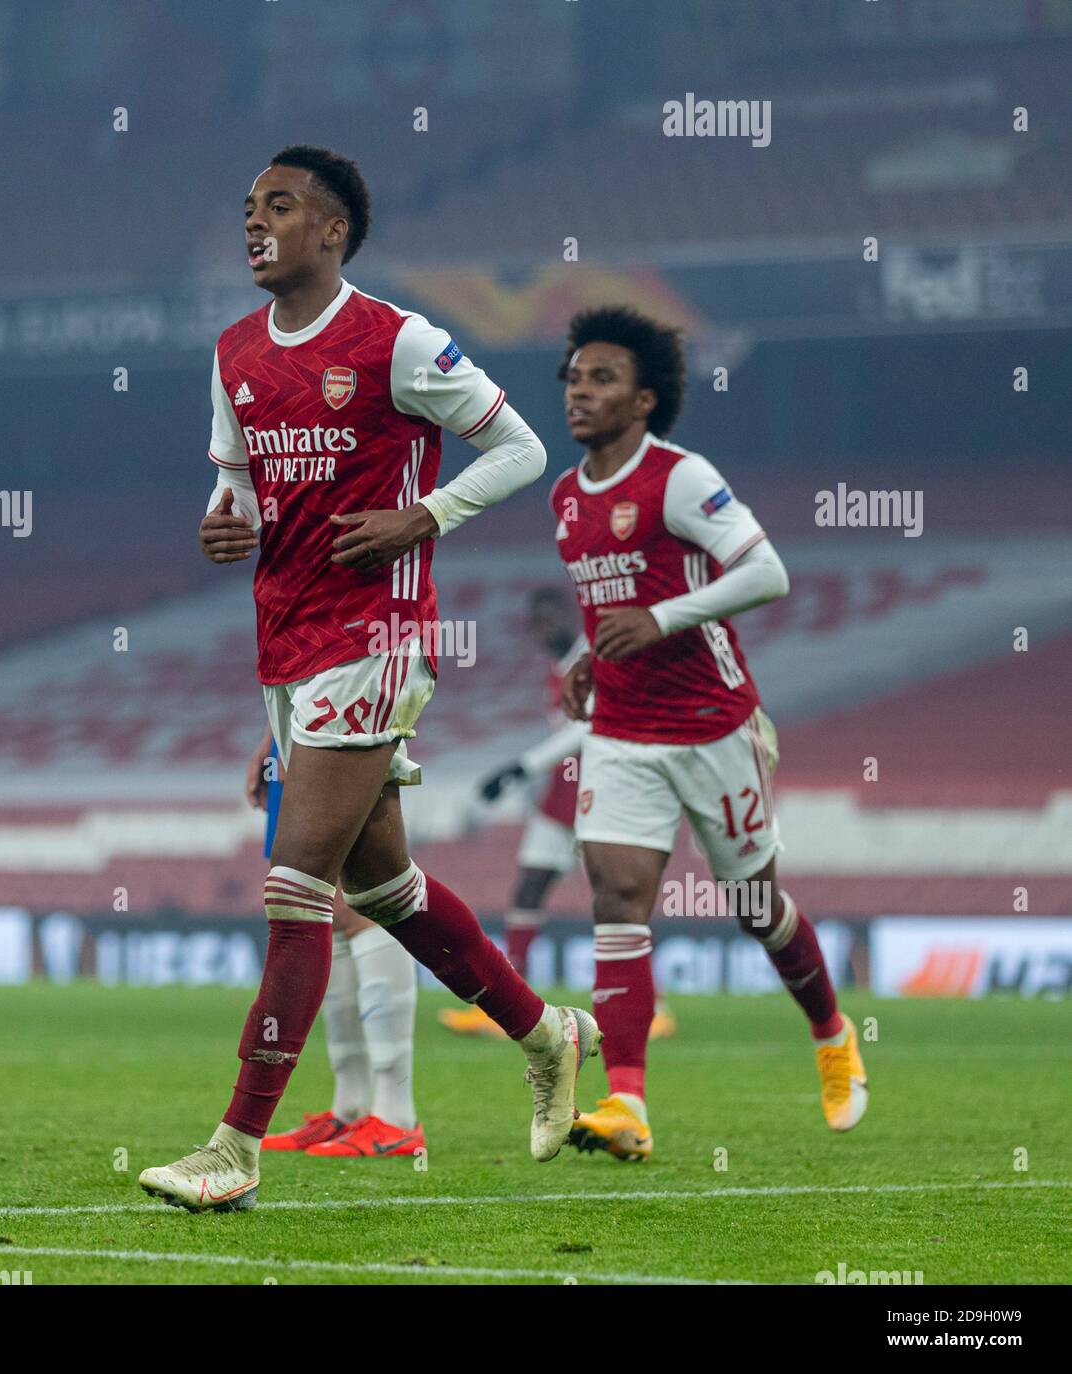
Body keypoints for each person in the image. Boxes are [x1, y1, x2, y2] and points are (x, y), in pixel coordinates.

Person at [138, 146, 599, 1214]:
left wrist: (422, 515)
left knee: (296, 884)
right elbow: (244, 498)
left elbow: (520, 447)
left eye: (281, 207)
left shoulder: (397, 340)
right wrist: (226, 526)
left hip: (379, 633)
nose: (255, 224)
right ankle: (547, 1033)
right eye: (249, 207)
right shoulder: (234, 353)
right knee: (382, 888)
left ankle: (233, 1149)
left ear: (334, 231)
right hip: (286, 643)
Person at [549, 305, 867, 1163]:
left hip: (711, 724)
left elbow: (768, 571)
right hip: (620, 730)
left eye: (602, 377)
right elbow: (608, 598)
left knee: (757, 909)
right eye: (574, 376)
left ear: (645, 399)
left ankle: (832, 1031)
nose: (580, 391)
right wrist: (588, 650)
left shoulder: (681, 478)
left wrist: (657, 619)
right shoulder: (566, 497)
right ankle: (627, 1103)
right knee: (617, 900)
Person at [441, 586, 675, 1040]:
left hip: (602, 793)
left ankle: (655, 1004)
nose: (543, 630)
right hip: (562, 797)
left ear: (569, 616)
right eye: (536, 623)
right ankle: (507, 1003)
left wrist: (520, 767)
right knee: (528, 888)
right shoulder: (558, 665)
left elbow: (589, 727)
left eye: (550, 619)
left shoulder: (593, 656)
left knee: (618, 897)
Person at [246, 733, 424, 1158]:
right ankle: (352, 1107)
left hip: (348, 722)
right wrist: (273, 737)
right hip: (303, 724)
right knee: (325, 900)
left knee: (363, 893)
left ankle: (397, 1115)